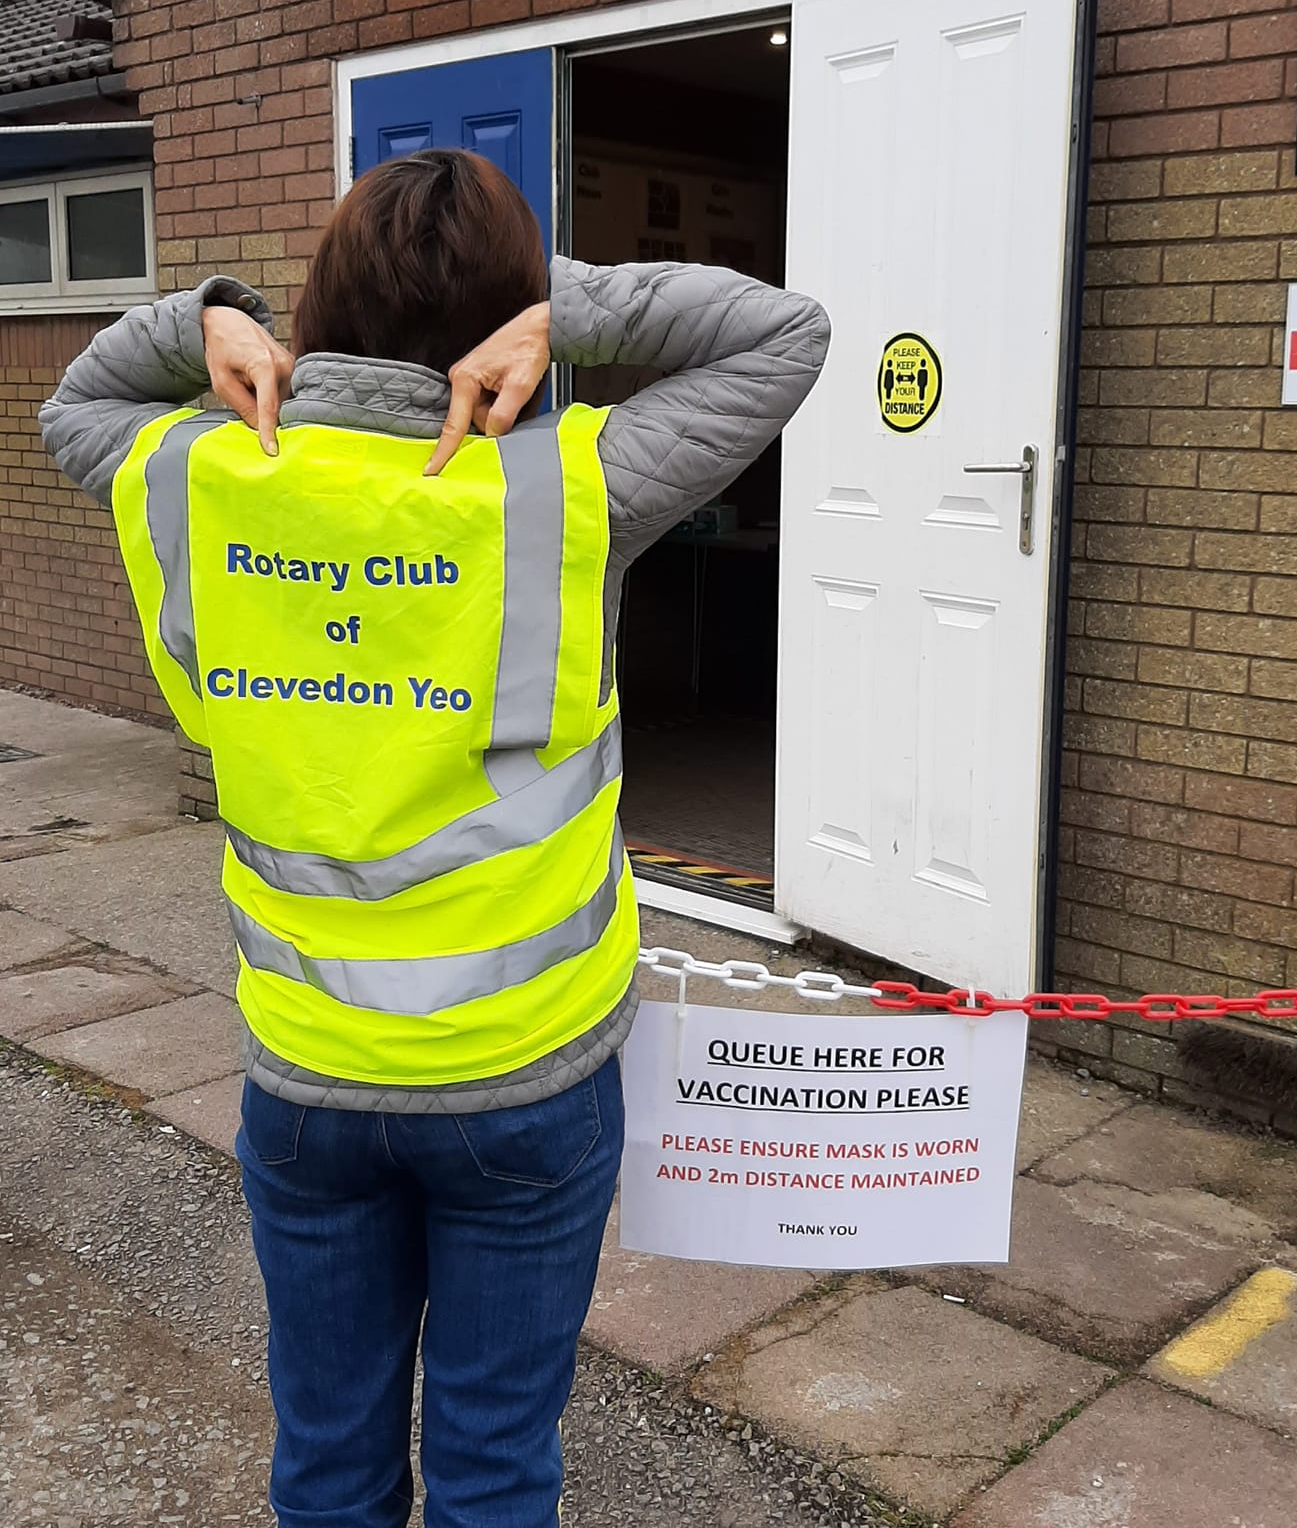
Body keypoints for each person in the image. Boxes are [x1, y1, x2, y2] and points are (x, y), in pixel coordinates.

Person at [40, 149, 830, 1528]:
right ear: (504, 321)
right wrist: (564, 313)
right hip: (528, 1077)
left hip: (309, 1078)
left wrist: (204, 319)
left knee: (329, 1460)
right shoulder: (572, 490)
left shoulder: (193, 477)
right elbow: (780, 332)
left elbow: (81, 397)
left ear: (317, 305)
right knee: (491, 1464)